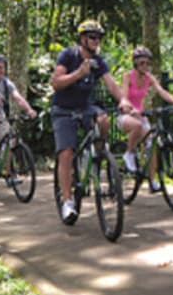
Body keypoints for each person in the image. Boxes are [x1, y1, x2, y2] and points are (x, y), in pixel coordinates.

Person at [49, 20, 134, 224]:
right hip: (63, 109)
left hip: (85, 107)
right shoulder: (68, 55)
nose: (96, 41)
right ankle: (67, 201)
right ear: (83, 39)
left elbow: (111, 84)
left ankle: (96, 154)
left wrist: (122, 100)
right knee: (66, 153)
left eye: (99, 38)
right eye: (92, 37)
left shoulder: (99, 61)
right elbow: (55, 82)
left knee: (103, 120)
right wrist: (78, 74)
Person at [118, 46, 173, 193]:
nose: (145, 66)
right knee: (137, 126)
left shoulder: (149, 78)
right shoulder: (128, 76)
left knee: (153, 142)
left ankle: (152, 180)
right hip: (126, 115)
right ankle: (129, 153)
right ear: (135, 64)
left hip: (141, 115)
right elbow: (124, 96)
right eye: (142, 63)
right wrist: (130, 109)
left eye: (148, 63)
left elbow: (161, 91)